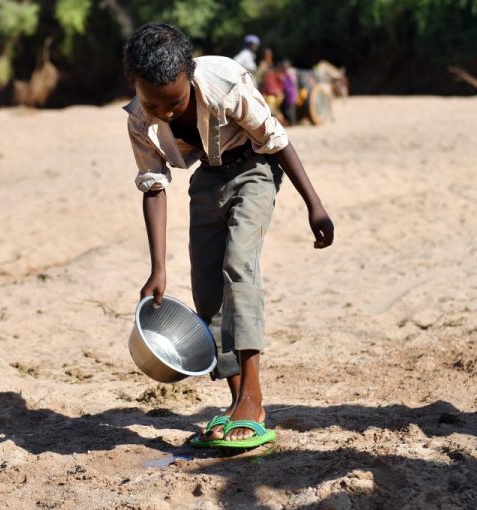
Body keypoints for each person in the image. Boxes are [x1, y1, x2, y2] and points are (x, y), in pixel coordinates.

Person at [122, 23, 334, 449]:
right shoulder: (141, 117)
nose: (164, 113)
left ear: (190, 73)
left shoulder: (223, 81)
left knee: (238, 266)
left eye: (175, 102)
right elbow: (154, 185)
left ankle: (253, 398)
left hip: (255, 167)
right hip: (208, 178)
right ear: (136, 86)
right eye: (153, 103)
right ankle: (237, 398)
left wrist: (315, 204)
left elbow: (276, 139)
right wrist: (157, 268)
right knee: (206, 287)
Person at [278, 59, 299, 126]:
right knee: (289, 108)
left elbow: (293, 83)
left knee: (291, 109)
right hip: (288, 94)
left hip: (291, 93)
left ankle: (292, 123)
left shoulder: (290, 73)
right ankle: (291, 122)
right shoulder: (286, 73)